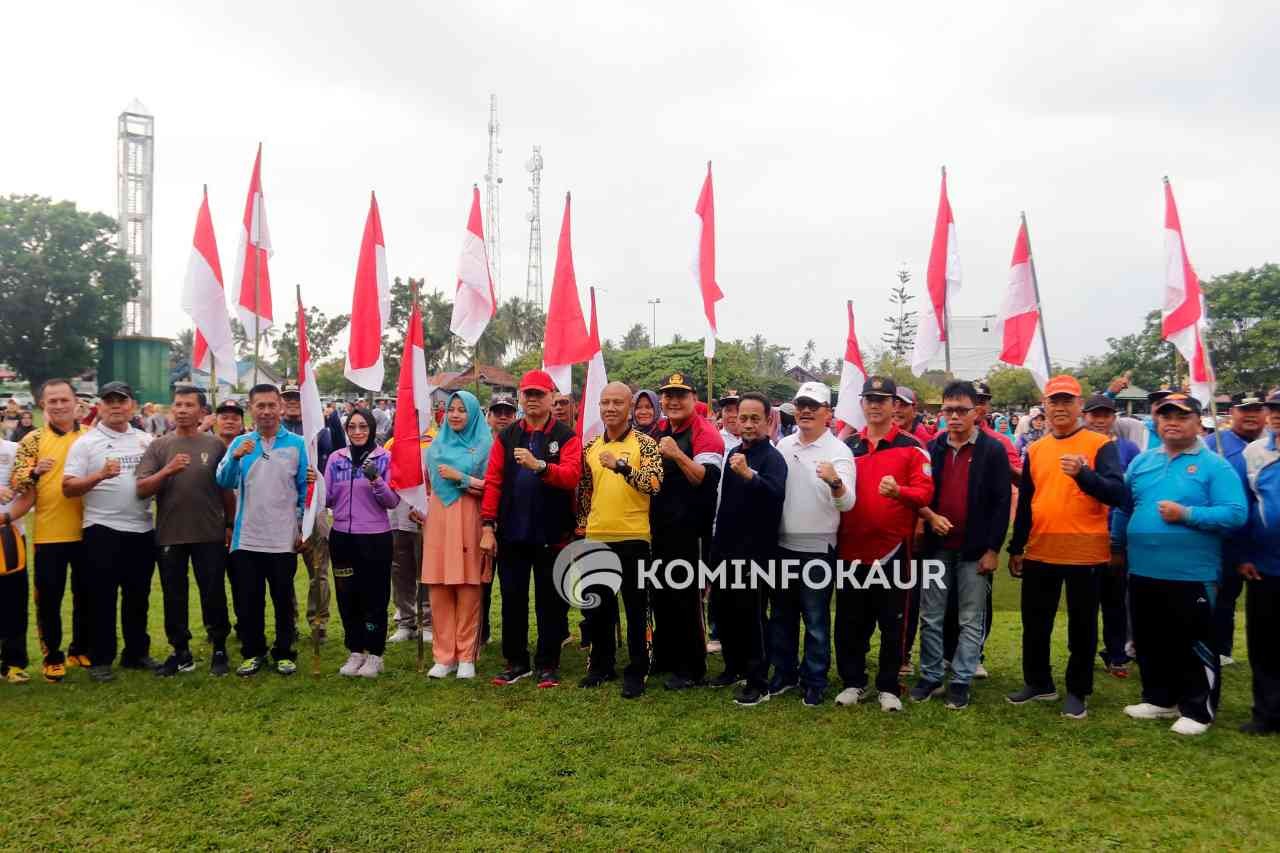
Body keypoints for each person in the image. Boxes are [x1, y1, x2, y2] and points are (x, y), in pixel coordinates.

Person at [1112, 392, 1246, 736]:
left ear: (1198, 423)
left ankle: (1198, 710)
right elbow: (1124, 507)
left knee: (1193, 641)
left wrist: (1187, 514)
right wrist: (1116, 542)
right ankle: (1160, 698)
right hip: (1143, 569)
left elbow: (1235, 513)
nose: (1172, 422)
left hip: (1191, 573)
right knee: (1151, 639)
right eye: (1166, 416)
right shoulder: (1142, 462)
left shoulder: (1215, 465)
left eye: (1182, 416)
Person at [1006, 375, 1126, 719]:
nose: (1059, 407)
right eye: (1053, 401)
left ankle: (1078, 690)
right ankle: (1038, 682)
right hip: (1041, 548)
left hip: (1084, 551)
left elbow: (1117, 493)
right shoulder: (1036, 449)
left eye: (1066, 401)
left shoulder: (1100, 444)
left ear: (1079, 406)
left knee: (1082, 626)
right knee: (1035, 622)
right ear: (1044, 406)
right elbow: (1027, 501)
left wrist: (1084, 475)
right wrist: (1016, 546)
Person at [834, 376, 934, 711]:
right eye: (870, 399)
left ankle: (889, 685)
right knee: (850, 621)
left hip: (893, 549)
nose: (875, 405)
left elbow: (925, 492)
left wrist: (899, 492)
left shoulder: (912, 446)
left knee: (893, 621)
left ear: (895, 405)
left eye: (882, 399)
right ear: (861, 403)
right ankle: (853, 682)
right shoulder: (848, 447)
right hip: (850, 548)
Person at [480, 372, 582, 688]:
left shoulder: (566, 436)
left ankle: (548, 663)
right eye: (528, 394)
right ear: (521, 398)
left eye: (539, 393)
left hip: (553, 533)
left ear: (552, 397)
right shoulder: (507, 436)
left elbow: (571, 476)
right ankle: (516, 662)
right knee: (512, 599)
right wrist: (487, 526)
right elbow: (493, 481)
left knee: (549, 602)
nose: (533, 399)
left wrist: (540, 466)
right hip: (513, 532)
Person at [913, 381, 1011, 709]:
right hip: (936, 547)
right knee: (931, 615)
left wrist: (993, 550)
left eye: (961, 410)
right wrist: (928, 520)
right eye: (948, 410)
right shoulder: (934, 448)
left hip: (975, 548)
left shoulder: (992, 450)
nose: (954, 416)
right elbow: (922, 493)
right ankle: (930, 675)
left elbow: (1001, 504)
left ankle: (960, 680)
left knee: (970, 618)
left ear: (976, 412)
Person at [135, 386, 235, 677]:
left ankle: (219, 647)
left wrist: (230, 525)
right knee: (174, 595)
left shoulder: (215, 445)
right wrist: (167, 470)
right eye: (177, 404)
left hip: (209, 533)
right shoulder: (159, 446)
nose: (181, 410)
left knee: (213, 592)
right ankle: (180, 651)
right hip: (171, 534)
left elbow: (226, 489)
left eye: (189, 405)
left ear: (202, 411)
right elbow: (141, 489)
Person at [61, 382, 158, 682]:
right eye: (109, 401)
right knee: (101, 598)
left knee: (138, 596)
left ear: (132, 405)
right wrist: (99, 475)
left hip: (142, 528)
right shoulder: (87, 443)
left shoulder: (145, 440)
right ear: (100, 407)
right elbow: (68, 487)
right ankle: (101, 658)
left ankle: (136, 653)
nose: (116, 406)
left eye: (121, 400)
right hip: (102, 529)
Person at [575, 381, 663, 697]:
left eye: (617, 402)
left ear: (630, 408)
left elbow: (654, 484)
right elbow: (585, 490)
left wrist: (622, 467)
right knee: (599, 606)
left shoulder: (646, 443)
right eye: (605, 402)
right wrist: (583, 524)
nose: (610, 408)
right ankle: (601, 665)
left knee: (636, 609)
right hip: (597, 536)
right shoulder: (590, 447)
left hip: (634, 537)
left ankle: (637, 670)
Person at [770, 381, 855, 706]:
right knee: (782, 616)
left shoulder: (839, 451)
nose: (806, 411)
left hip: (818, 549)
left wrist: (834, 481)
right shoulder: (783, 445)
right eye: (801, 405)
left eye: (813, 406)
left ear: (827, 413)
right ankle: (785, 673)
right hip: (783, 545)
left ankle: (815, 679)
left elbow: (848, 502)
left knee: (815, 619)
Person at [215, 384, 309, 677]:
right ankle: (253, 652)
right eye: (260, 406)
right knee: (249, 600)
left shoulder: (297, 444)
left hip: (282, 538)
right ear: (251, 409)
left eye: (271, 405)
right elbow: (223, 481)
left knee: (283, 599)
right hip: (247, 538)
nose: (266, 411)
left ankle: (284, 652)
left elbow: (305, 489)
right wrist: (235, 458)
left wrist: (302, 529)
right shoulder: (241, 443)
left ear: (280, 407)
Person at [706, 392, 786, 705]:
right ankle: (733, 667)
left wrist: (750, 476)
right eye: (743, 418)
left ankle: (757, 681)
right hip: (726, 547)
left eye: (755, 419)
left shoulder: (773, 458)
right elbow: (725, 505)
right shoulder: (733, 453)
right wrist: (716, 548)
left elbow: (775, 495)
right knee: (725, 612)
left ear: (768, 421)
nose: (749, 424)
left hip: (755, 552)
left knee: (751, 617)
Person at [11, 379, 89, 682]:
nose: (58, 405)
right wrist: (34, 471)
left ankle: (80, 649)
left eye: (64, 399)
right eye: (52, 401)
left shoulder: (91, 436)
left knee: (87, 594)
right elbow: (18, 481)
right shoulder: (32, 439)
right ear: (43, 404)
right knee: (49, 599)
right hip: (49, 533)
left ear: (75, 402)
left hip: (89, 530)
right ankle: (52, 656)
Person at [650, 372, 724, 689]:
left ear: (694, 398)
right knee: (662, 594)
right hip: (661, 526)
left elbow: (706, 480)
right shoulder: (661, 429)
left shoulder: (705, 433)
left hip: (692, 530)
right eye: (668, 395)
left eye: (681, 395)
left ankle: (692, 667)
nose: (674, 401)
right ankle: (667, 656)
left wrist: (678, 454)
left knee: (686, 597)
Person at [422, 391, 491, 679]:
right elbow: (427, 486)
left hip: (470, 519)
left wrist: (461, 478)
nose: (455, 415)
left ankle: (466, 656)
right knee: (439, 588)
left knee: (468, 587)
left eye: (462, 410)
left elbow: (493, 487)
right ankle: (443, 656)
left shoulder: (485, 445)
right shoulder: (436, 446)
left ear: (473, 413)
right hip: (439, 520)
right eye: (451, 409)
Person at [325, 409, 399, 678]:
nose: (357, 432)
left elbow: (392, 501)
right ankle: (356, 650)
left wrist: (375, 479)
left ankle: (375, 654)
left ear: (372, 429)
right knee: (347, 595)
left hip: (375, 538)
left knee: (375, 596)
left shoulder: (385, 458)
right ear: (346, 430)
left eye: (363, 426)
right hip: (342, 537)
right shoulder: (336, 458)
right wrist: (315, 484)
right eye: (352, 427)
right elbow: (328, 499)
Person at [1082, 393, 1143, 677]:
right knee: (1084, 601)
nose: (1100, 420)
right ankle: (1083, 653)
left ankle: (1116, 654)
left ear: (1113, 418)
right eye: (1094, 414)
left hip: (1117, 533)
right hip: (1083, 533)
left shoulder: (1128, 449)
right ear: (1085, 416)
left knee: (1115, 598)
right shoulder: (1077, 444)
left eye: (1105, 415)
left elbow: (1132, 493)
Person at [1205, 392, 1267, 666]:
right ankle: (1219, 648)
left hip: (1264, 541)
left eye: (1257, 409)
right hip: (1226, 538)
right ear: (1232, 412)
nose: (1251, 415)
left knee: (1263, 602)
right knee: (1223, 596)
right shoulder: (1213, 444)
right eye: (1244, 409)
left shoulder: (1272, 444)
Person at [1239, 390, 1280, 734]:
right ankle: (1266, 714)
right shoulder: (1254, 452)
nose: (1277, 414)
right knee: (1264, 644)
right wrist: (1245, 554)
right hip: (1264, 566)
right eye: (1274, 408)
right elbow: (1246, 505)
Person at [280, 384, 332, 645]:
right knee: (282, 571)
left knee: (318, 570)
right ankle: (288, 621)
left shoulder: (320, 431)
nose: (292, 402)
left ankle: (318, 622)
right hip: (283, 509)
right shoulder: (274, 431)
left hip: (314, 506)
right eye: (287, 397)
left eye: (297, 398)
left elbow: (330, 461)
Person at [385, 424, 433, 645]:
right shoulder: (392, 443)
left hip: (426, 517)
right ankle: (406, 621)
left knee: (427, 572)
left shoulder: (436, 441)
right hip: (397, 517)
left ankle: (428, 622)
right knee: (400, 571)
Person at [476, 393, 517, 646]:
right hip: (482, 522)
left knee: (512, 586)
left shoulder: (522, 442)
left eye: (508, 412)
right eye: (498, 412)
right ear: (488, 416)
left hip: (511, 522)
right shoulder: (477, 445)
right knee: (481, 582)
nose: (503, 417)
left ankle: (512, 639)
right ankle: (481, 632)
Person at [0, 435, 33, 682]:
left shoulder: (16, 451)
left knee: (13, 600)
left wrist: (5, 518)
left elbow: (29, 493)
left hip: (9, 534)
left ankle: (13, 663)